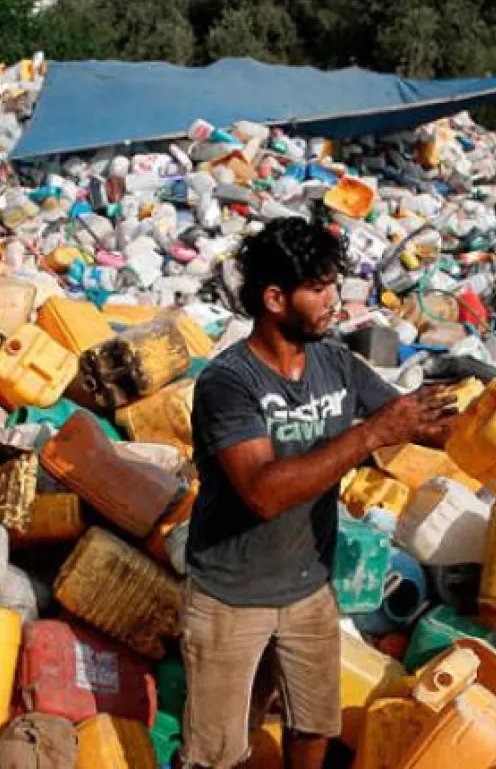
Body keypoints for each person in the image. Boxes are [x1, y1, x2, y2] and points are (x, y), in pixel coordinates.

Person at [181, 218, 457, 769]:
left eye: (335, 284)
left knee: (314, 725)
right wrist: (373, 434)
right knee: (218, 753)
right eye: (319, 287)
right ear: (276, 298)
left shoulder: (335, 363)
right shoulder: (229, 383)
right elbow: (262, 494)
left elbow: (417, 423)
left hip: (309, 587)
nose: (335, 300)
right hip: (230, 596)